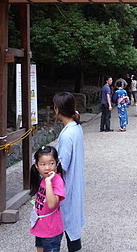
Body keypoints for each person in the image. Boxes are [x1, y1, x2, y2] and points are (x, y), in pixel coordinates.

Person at [53, 92, 85, 252]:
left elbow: (62, 164)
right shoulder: (76, 128)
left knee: (64, 220)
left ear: (57, 109)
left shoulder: (67, 134)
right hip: (75, 181)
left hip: (67, 184)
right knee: (71, 220)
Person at [29, 145, 65, 252]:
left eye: (51, 163)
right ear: (37, 166)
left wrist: (49, 182)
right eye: (43, 164)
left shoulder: (56, 181)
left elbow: (51, 204)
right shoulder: (42, 179)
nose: (48, 167)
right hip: (40, 226)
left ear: (56, 163)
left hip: (51, 228)